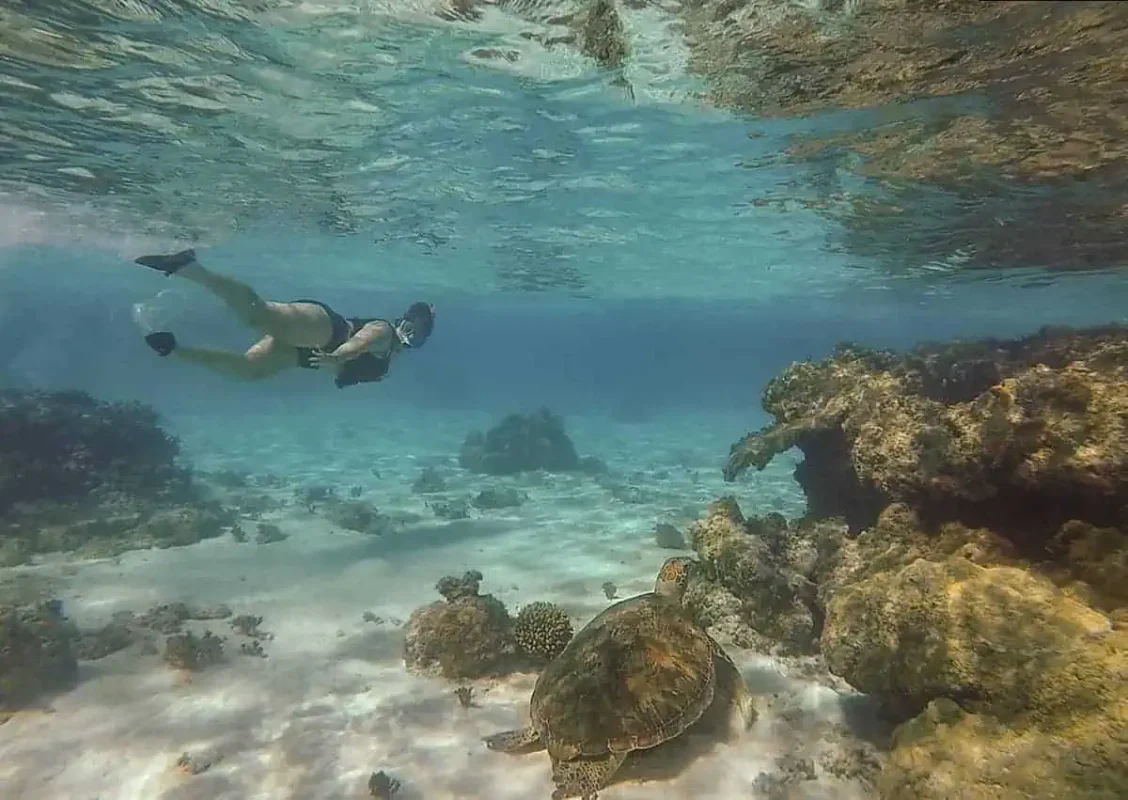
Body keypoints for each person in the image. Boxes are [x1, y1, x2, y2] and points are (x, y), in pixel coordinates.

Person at [133, 249, 434, 388]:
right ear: (400, 319)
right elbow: (361, 340)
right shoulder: (384, 331)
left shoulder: (389, 363)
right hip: (327, 332)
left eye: (417, 334)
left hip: (305, 356)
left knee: (248, 370)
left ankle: (172, 349)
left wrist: (337, 363)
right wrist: (338, 355)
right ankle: (189, 267)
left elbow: (357, 364)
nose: (409, 334)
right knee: (260, 316)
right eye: (409, 325)